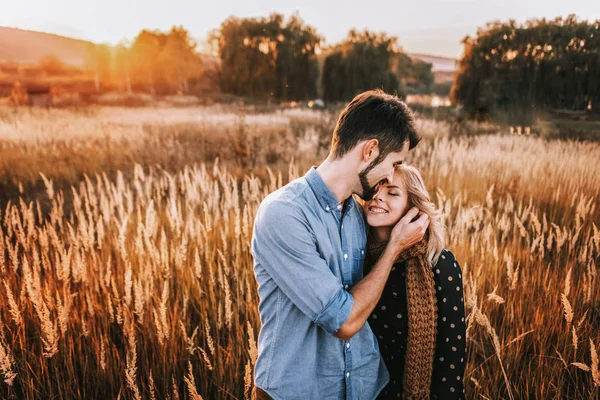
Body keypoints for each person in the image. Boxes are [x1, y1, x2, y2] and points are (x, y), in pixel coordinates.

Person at [251, 89, 428, 399]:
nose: (391, 174)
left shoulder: (360, 213)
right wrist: (394, 247)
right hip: (298, 392)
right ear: (370, 150)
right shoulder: (285, 213)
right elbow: (344, 322)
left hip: (365, 387)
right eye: (394, 162)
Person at [360, 164, 466, 399]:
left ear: (412, 207)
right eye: (375, 189)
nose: (378, 197)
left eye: (393, 192)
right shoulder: (355, 258)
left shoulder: (438, 262)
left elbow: (452, 354)